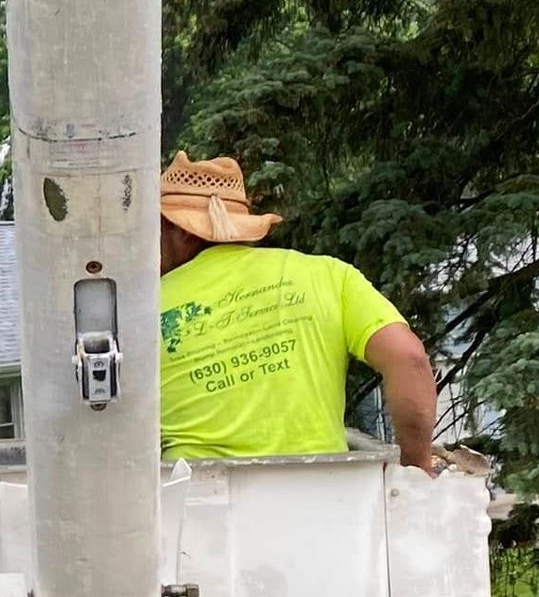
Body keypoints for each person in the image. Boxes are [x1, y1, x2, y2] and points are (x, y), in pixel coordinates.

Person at [157, 152, 439, 474]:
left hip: (198, 505)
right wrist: (417, 468)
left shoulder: (144, 310)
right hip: (323, 500)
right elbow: (408, 358)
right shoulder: (329, 276)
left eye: (158, 228)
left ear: (183, 232)